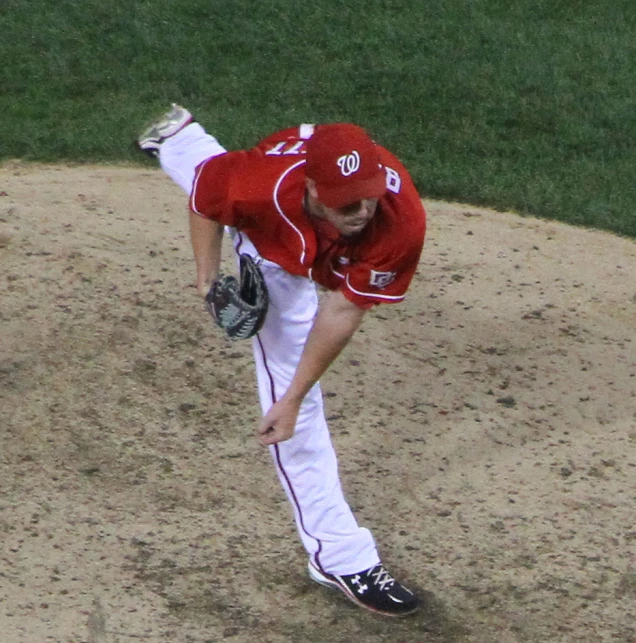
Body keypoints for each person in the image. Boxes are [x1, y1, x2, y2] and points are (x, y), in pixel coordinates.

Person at [137, 104, 426, 617]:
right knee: (299, 409)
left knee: (295, 395)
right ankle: (338, 554)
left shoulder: (399, 221)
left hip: (299, 218)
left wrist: (291, 396)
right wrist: (207, 283)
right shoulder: (264, 188)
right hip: (273, 241)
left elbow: (343, 308)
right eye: (347, 204)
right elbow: (208, 198)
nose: (362, 211)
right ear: (314, 191)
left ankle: (179, 137)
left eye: (367, 197)